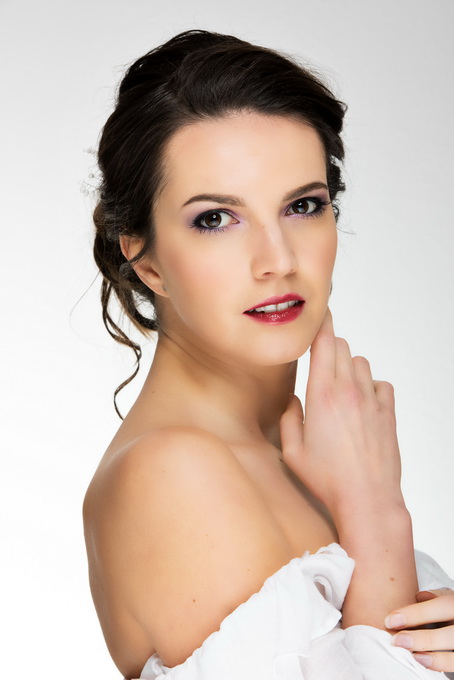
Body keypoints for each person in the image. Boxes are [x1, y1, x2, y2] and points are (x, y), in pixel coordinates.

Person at [83, 29, 454, 679]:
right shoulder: (171, 472)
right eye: (215, 218)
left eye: (303, 206)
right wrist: (377, 521)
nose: (278, 260)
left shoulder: (311, 449)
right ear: (144, 257)